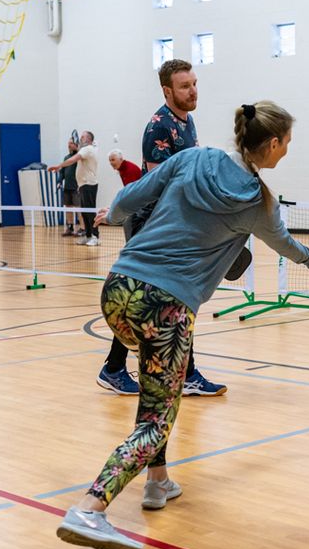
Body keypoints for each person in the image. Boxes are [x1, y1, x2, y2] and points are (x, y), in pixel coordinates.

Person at [56, 101, 309, 549]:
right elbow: (283, 243)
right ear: (271, 143)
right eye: (286, 142)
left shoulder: (192, 158)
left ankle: (158, 482)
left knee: (158, 390)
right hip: (166, 308)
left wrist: (114, 215)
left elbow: (130, 199)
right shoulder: (258, 202)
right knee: (157, 417)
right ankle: (90, 508)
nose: (287, 150)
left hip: (118, 290)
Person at [95, 59, 228, 398]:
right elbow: (162, 185)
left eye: (195, 83)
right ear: (168, 91)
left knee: (166, 299)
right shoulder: (159, 127)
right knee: (170, 297)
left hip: (175, 223)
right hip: (152, 222)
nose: (193, 90)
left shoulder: (188, 122)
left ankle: (116, 368)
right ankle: (181, 374)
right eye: (185, 86)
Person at [50, 131, 100, 247]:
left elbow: (73, 159)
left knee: (90, 212)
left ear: (88, 139)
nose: (80, 139)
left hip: (89, 184)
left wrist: (59, 166)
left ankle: (95, 237)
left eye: (82, 137)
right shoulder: (88, 149)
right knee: (84, 212)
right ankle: (88, 236)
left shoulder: (87, 149)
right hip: (83, 185)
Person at [59, 137, 82, 237]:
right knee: (68, 208)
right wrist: (59, 181)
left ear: (76, 144)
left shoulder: (79, 157)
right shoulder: (66, 158)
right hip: (67, 187)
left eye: (72, 143)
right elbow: (62, 171)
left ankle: (82, 228)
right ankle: (70, 227)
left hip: (76, 187)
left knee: (78, 208)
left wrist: (78, 149)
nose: (69, 145)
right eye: (68, 143)